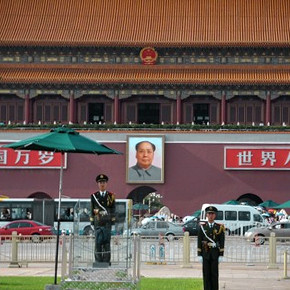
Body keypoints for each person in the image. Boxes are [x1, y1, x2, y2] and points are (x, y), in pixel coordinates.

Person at [197, 206, 225, 290]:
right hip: (205, 253)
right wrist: (199, 254)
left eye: (212, 214)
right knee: (206, 274)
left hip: (215, 254)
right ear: (206, 215)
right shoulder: (202, 227)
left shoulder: (219, 227)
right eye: (209, 214)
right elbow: (199, 240)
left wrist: (221, 255)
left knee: (214, 274)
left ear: (215, 215)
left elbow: (222, 241)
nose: (211, 216)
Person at [90, 174, 116, 265]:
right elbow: (92, 209)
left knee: (106, 243)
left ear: (106, 184)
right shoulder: (93, 196)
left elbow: (113, 209)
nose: (102, 184)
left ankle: (106, 261)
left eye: (104, 182)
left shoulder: (111, 196)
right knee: (98, 243)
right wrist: (92, 222)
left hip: (107, 223)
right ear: (98, 184)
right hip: (98, 223)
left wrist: (113, 222)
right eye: (100, 182)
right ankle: (98, 261)